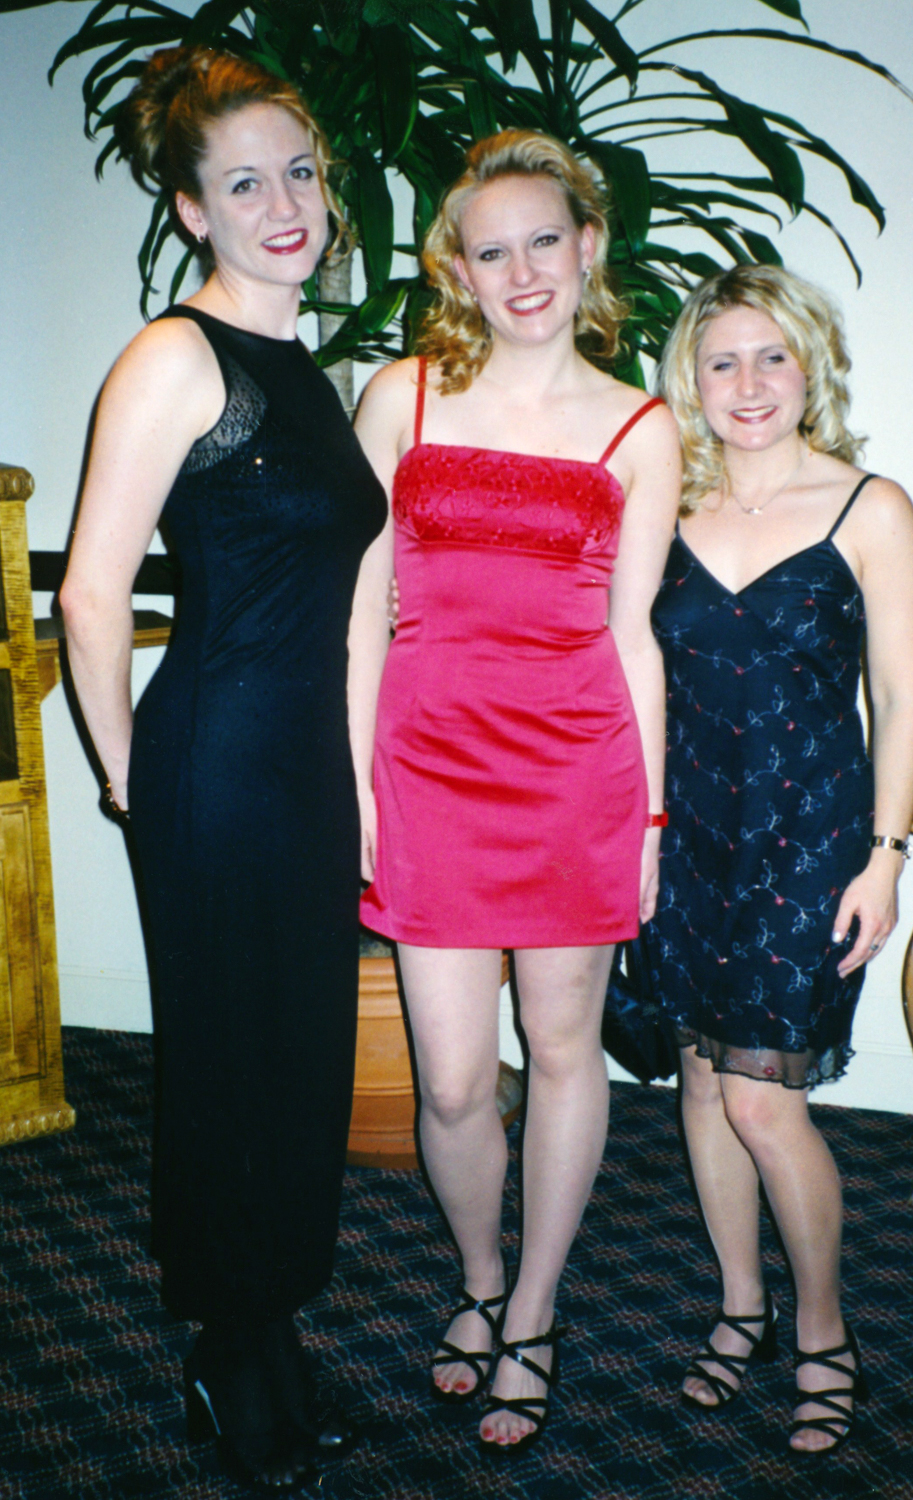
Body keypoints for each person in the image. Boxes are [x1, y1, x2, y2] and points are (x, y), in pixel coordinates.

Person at [59, 46, 387, 1492]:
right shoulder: (173, 359)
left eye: (298, 173)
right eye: (244, 183)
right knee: (231, 1064)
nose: (283, 205)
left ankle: (267, 1328)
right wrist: (133, 778)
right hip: (216, 765)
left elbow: (352, 606)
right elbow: (90, 594)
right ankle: (231, 1348)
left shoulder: (306, 369)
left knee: (298, 1060)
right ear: (190, 208)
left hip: (302, 767)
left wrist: (359, 785)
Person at [348, 129, 680, 1453]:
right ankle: (478, 1278)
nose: (525, 270)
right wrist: (358, 783)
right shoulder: (403, 399)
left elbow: (635, 637)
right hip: (425, 767)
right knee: (448, 1083)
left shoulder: (641, 425)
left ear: (589, 248)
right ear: (457, 271)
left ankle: (531, 1311)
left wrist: (647, 819)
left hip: (574, 770)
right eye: (493, 251)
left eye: (547, 239)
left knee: (559, 1049)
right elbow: (356, 617)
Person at [648, 263, 913, 1455]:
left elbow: (901, 704)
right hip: (683, 841)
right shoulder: (660, 506)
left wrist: (886, 858)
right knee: (703, 1085)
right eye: (722, 361)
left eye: (772, 355)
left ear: (810, 365)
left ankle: (823, 1330)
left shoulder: (869, 507)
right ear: (691, 380)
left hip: (809, 844)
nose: (749, 382)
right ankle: (740, 1308)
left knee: (764, 1100)